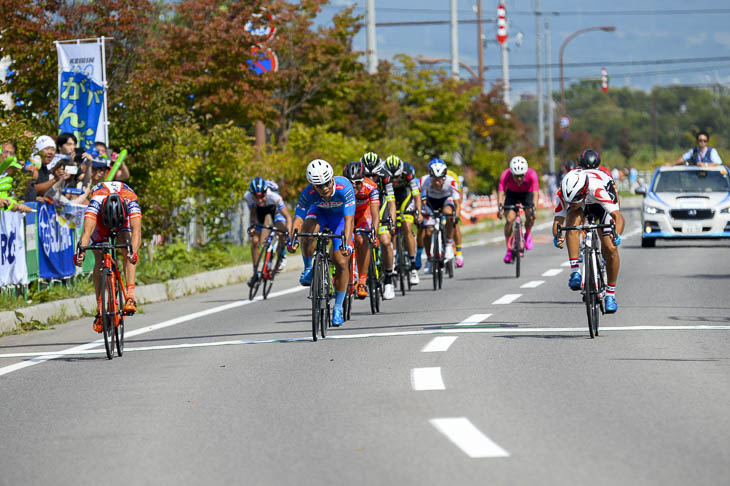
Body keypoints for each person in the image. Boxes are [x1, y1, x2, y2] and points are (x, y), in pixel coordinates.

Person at [288, 159, 355, 327]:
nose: (324, 188)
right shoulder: (308, 193)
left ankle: (338, 307)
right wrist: (293, 240)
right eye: (319, 186)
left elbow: (349, 221)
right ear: (312, 185)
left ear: (332, 179)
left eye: (327, 183)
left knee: (340, 261)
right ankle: (309, 268)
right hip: (320, 214)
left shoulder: (345, 188)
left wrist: (345, 243)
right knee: (307, 230)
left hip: (339, 220)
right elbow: (298, 220)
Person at [552, 169, 625, 313]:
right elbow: (558, 220)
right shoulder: (562, 193)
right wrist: (557, 235)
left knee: (610, 248)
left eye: (574, 201)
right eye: (569, 201)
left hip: (600, 205)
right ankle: (575, 272)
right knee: (571, 220)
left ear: (584, 192)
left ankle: (610, 294)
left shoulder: (597, 190)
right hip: (582, 205)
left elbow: (618, 216)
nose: (571, 204)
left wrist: (616, 234)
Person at [73, 181, 143, 331]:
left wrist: (133, 253)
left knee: (127, 247)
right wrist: (81, 253)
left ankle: (130, 296)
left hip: (122, 221)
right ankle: (99, 307)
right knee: (99, 256)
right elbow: (86, 233)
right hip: (100, 221)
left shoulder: (131, 199)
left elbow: (136, 232)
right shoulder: (96, 201)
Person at [361, 151, 397, 300]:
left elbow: (391, 201)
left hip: (380, 205)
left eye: (373, 176)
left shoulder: (385, 177)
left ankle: (389, 279)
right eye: (367, 176)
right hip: (363, 206)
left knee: (385, 240)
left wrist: (392, 222)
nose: (370, 179)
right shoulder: (356, 175)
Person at [245, 177, 291, 288]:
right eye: (256, 197)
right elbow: (253, 214)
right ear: (252, 195)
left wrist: (287, 233)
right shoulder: (248, 197)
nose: (259, 199)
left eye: (262, 196)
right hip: (259, 211)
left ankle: (281, 254)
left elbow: (288, 217)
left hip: (275, 209)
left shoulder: (275, 197)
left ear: (266, 192)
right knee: (255, 241)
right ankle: (255, 273)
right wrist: (253, 227)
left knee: (280, 231)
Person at [343, 161, 380, 299]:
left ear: (363, 180)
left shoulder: (371, 187)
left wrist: (374, 233)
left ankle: (363, 282)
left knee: (361, 239)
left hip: (364, 213)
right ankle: (338, 273)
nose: (354, 186)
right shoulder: (339, 187)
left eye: (358, 183)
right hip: (347, 213)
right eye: (350, 183)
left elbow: (375, 214)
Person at [382, 155, 421, 286]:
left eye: (397, 177)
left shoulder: (408, 171)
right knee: (390, 227)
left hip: (405, 197)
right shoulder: (382, 174)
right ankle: (391, 258)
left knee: (407, 227)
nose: (394, 180)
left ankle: (413, 265)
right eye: (391, 178)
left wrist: (418, 212)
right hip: (389, 199)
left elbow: (416, 194)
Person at [497, 156, 539, 263]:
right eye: (516, 176)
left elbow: (535, 193)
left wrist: (534, 207)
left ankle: (527, 235)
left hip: (527, 194)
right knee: (509, 220)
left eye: (521, 176)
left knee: (531, 215)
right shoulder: (505, 175)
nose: (519, 179)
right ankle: (509, 250)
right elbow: (501, 192)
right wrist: (500, 207)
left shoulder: (532, 174)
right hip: (512, 194)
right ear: (511, 173)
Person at [420, 161, 460, 273]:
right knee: (427, 232)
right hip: (430, 203)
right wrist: (419, 212)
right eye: (434, 179)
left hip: (445, 200)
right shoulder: (424, 181)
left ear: (444, 178)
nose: (437, 182)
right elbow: (417, 198)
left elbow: (457, 204)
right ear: (430, 177)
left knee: (449, 214)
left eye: (440, 179)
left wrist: (455, 217)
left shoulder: (451, 181)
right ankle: (429, 258)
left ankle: (448, 244)